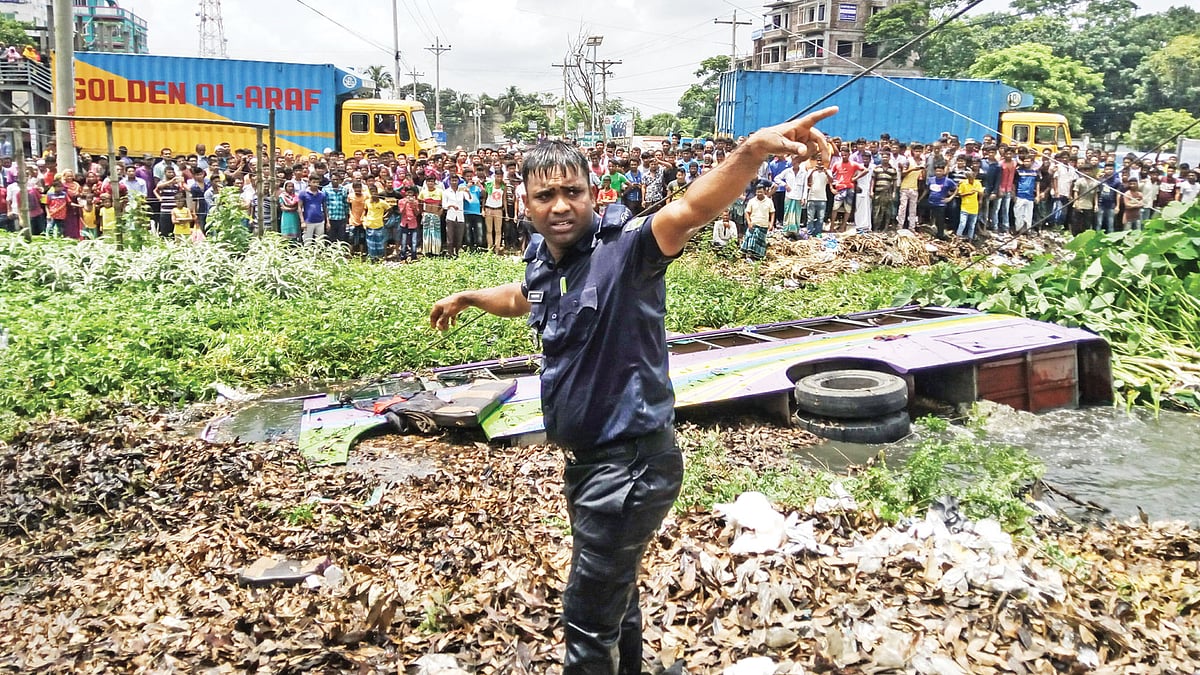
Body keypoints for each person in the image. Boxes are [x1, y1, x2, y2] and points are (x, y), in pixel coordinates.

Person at [429, 107, 837, 675]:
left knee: (586, 618)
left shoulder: (628, 251)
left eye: (572, 192)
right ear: (526, 205)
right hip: (589, 463)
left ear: (593, 194)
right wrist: (470, 297)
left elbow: (691, 208)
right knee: (615, 601)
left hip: (631, 464)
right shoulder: (547, 261)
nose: (561, 205)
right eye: (545, 196)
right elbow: (525, 296)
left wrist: (750, 154)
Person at [741, 182, 775, 259]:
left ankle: (758, 257)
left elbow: (772, 213)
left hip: (763, 225)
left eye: (761, 192)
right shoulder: (752, 201)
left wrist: (771, 223)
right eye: (757, 192)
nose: (759, 193)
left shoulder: (769, 201)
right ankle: (748, 256)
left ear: (765, 192)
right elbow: (747, 212)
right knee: (750, 240)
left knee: (760, 243)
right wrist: (749, 222)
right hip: (753, 224)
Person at [954, 170, 983, 240]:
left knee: (972, 225)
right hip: (965, 206)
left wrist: (980, 200)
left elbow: (981, 192)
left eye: (972, 177)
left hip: (974, 207)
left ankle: (970, 239)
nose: (971, 179)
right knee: (962, 223)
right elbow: (960, 194)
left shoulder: (977, 183)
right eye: (969, 177)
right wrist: (968, 193)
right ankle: (958, 238)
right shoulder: (963, 183)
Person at [298, 179, 328, 244]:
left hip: (320, 221)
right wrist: (302, 221)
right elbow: (299, 207)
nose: (315, 184)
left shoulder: (322, 194)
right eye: (313, 182)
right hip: (308, 221)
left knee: (320, 242)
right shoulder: (303, 193)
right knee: (307, 242)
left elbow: (325, 208)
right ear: (309, 183)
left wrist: (327, 221)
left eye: (317, 182)